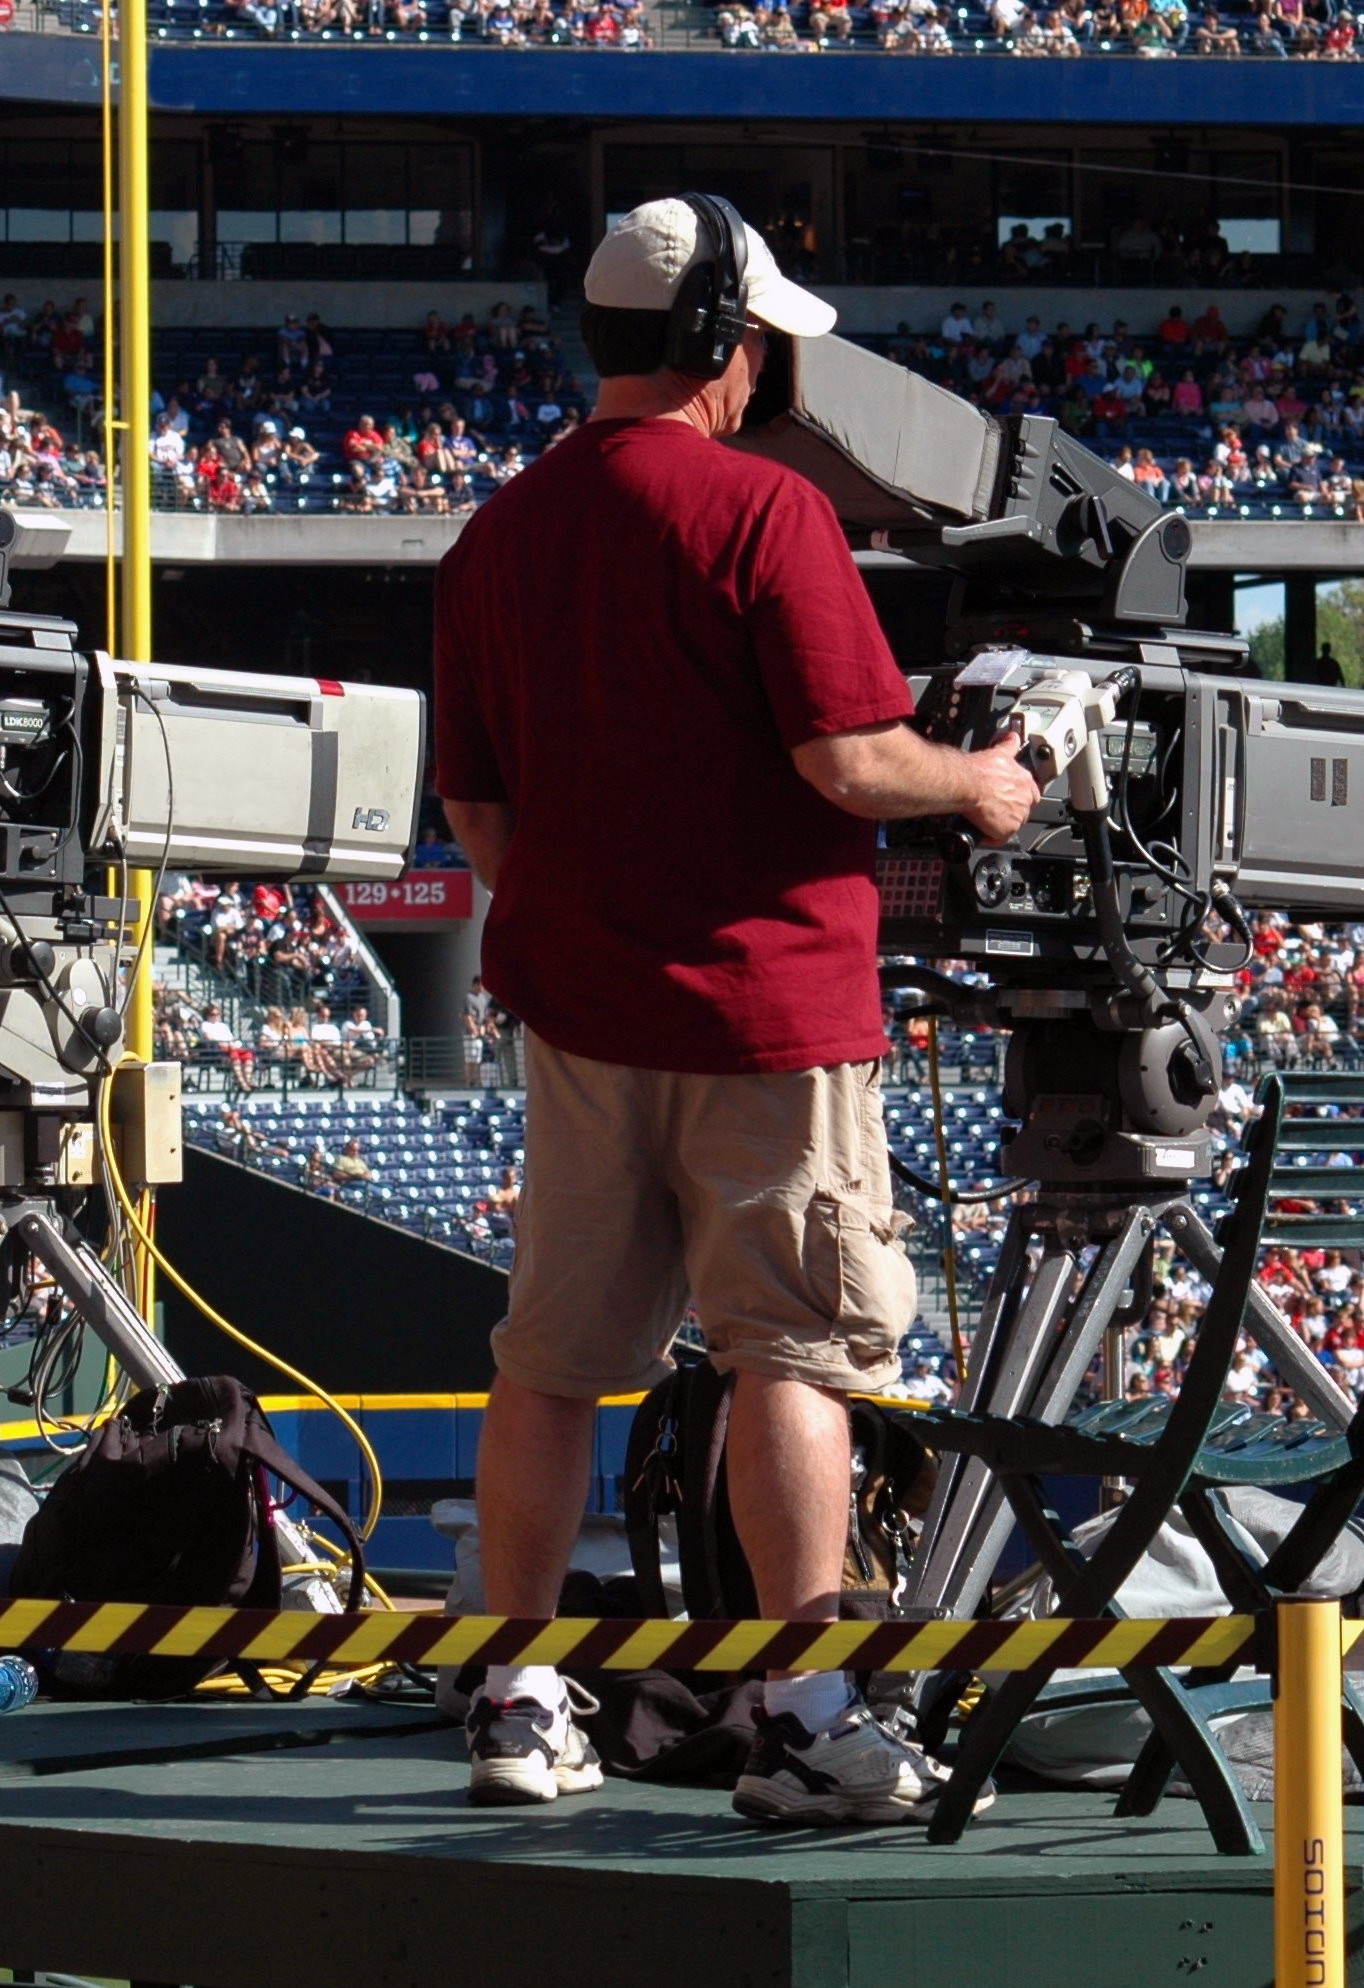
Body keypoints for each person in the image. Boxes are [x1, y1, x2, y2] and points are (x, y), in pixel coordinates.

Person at [432, 197, 1041, 1825]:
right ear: (724, 342)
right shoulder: (761, 513)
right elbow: (850, 762)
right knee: (791, 1353)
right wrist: (981, 782)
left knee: (549, 1364)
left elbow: (480, 820)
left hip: (573, 1010)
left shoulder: (496, 531)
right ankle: (804, 1714)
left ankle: (514, 1694)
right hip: (764, 1012)